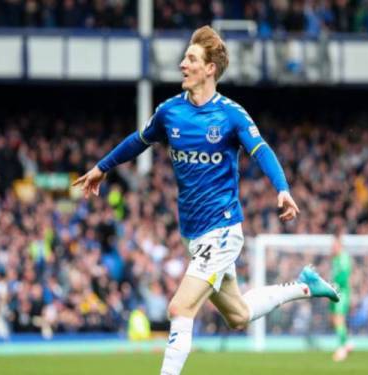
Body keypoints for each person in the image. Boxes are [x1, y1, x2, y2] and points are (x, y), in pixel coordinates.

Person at [72, 26, 339, 375]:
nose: (183, 64)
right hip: (193, 235)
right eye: (185, 57)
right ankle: (304, 285)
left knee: (179, 309)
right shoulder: (170, 112)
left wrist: (282, 188)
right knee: (238, 315)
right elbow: (140, 139)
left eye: (192, 58)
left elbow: (261, 150)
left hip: (223, 229)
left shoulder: (231, 114)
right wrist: (102, 167)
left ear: (210, 68)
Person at [329, 234, 352, 362]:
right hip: (334, 292)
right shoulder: (335, 259)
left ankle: (342, 349)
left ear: (340, 246)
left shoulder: (344, 258)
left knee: (339, 319)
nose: (332, 248)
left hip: (341, 293)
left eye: (335, 245)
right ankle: (347, 343)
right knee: (334, 320)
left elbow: (344, 275)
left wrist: (335, 285)